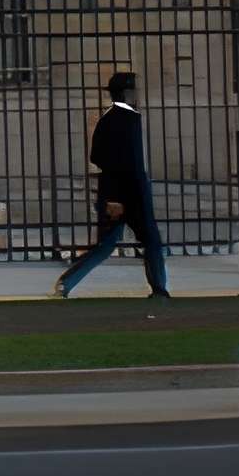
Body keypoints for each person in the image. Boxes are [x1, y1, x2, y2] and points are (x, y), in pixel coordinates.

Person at [55, 69, 170, 304]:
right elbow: (129, 161)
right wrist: (118, 195)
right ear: (128, 93)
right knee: (150, 242)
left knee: (107, 245)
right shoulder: (128, 119)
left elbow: (97, 156)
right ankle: (159, 289)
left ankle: (67, 282)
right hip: (130, 192)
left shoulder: (109, 118)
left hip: (116, 191)